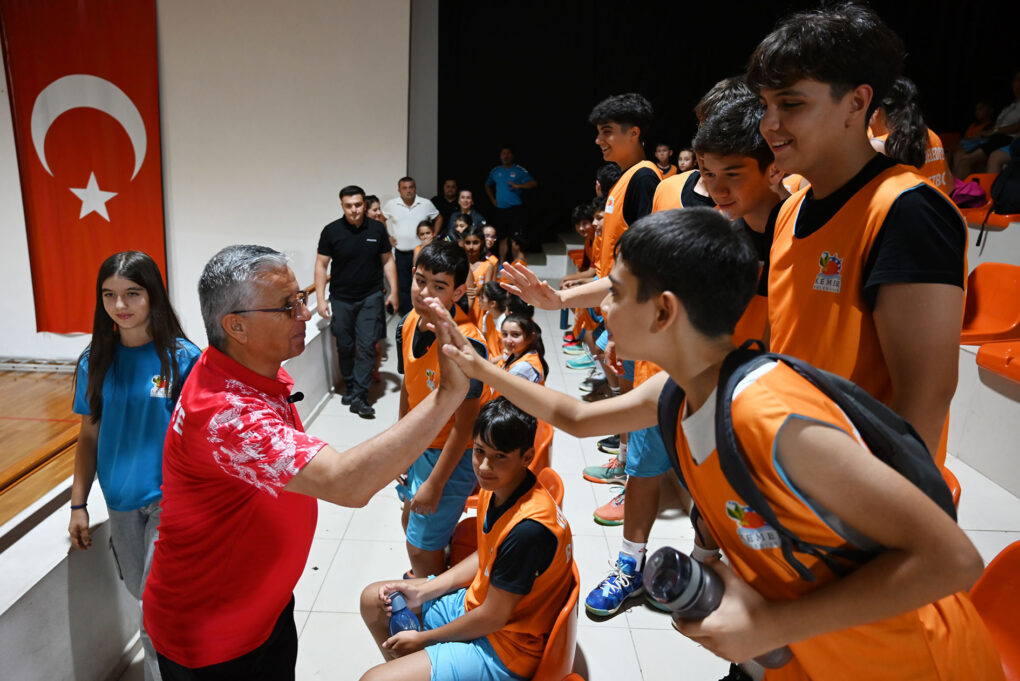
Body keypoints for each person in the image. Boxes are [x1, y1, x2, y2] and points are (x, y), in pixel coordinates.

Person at [438, 208, 1003, 680]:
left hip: (911, 661)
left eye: (616, 292)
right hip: (812, 659)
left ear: (664, 310)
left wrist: (773, 626)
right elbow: (577, 417)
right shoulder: (678, 389)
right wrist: (480, 367)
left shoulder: (771, 416)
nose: (601, 307)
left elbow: (952, 561)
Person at [143, 244, 469, 680]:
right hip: (215, 637)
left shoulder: (248, 370)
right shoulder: (226, 413)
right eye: (287, 306)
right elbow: (345, 483)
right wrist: (448, 395)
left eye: (300, 298)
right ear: (236, 326)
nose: (304, 313)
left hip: (262, 609)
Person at [747, 2, 967, 466]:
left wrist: (873, 508)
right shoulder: (790, 209)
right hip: (788, 469)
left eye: (791, 104)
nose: (769, 124)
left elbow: (924, 401)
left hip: (856, 490)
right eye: (765, 105)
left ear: (857, 103)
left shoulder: (907, 210)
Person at [359, 398, 573, 681]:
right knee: (373, 599)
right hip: (478, 606)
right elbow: (487, 555)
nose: (484, 466)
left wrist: (424, 639)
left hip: (506, 649)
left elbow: (493, 618)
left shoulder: (528, 531)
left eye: (500, 456)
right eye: (480, 451)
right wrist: (424, 591)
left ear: (526, 457)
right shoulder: (497, 486)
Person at [69, 251, 201, 681]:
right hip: (121, 502)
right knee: (142, 595)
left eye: (132, 293)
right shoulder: (95, 360)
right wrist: (78, 505)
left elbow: (201, 438)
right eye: (109, 295)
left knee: (155, 610)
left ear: (152, 296)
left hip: (170, 502)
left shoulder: (183, 358)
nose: (120, 305)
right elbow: (89, 437)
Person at [397, 240, 489, 580]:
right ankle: (433, 568)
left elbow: (466, 426)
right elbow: (408, 386)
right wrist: (401, 446)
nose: (425, 293)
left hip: (453, 452)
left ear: (458, 292)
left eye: (439, 287)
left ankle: (432, 597)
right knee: (409, 520)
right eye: (420, 281)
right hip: (420, 444)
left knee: (421, 547)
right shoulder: (408, 322)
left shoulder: (466, 343)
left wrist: (435, 483)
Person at [315, 185, 398, 418]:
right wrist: (320, 299)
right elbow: (321, 265)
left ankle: (361, 395)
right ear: (342, 206)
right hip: (341, 298)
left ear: (364, 204)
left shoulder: (377, 229)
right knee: (345, 345)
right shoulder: (331, 231)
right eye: (349, 206)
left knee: (367, 345)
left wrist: (394, 292)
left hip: (370, 296)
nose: (354, 210)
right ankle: (351, 385)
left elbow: (387, 260)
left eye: (358, 205)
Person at [869, 77, 953, 194]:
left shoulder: (878, 147)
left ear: (876, 110)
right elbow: (949, 186)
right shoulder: (932, 137)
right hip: (934, 206)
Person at [383, 177, 441, 315]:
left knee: (422, 284)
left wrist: (433, 236)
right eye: (405, 188)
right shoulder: (392, 204)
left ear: (415, 188)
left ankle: (422, 313)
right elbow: (381, 219)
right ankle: (406, 316)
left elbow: (439, 218)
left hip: (422, 253)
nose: (408, 191)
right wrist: (387, 236)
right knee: (403, 286)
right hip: (401, 253)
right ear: (399, 190)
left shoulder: (426, 204)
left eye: (411, 187)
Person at [952, 69, 1020, 177]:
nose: (1017, 84)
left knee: (966, 159)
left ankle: (960, 187)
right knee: (959, 152)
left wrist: (995, 131)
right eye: (1016, 80)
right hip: (994, 138)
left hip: (1006, 139)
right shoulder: (1009, 107)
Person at [485, 146, 537, 262]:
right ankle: (502, 264)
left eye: (508, 153)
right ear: (500, 156)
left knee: (515, 239)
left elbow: (533, 183)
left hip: (515, 209)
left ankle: (516, 264)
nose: (506, 156)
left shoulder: (519, 170)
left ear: (512, 156)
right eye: (503, 153)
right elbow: (487, 185)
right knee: (502, 238)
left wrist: (519, 186)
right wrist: (493, 200)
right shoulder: (495, 171)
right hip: (500, 210)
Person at [498, 313, 548, 387]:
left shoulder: (521, 369)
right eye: (505, 334)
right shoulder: (518, 351)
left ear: (531, 337)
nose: (508, 340)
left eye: (515, 335)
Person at [462, 224, 494, 324]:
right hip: (462, 307)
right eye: (468, 243)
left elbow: (489, 289)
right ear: (463, 243)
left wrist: (479, 291)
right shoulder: (459, 264)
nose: (471, 247)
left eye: (475, 243)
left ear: (482, 242)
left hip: (480, 310)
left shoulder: (487, 265)